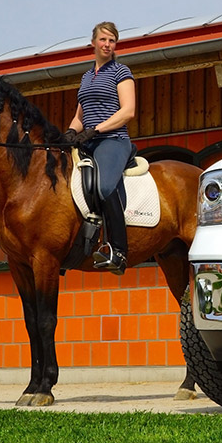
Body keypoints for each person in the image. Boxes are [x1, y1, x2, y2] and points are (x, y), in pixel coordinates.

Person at [62, 21, 135, 273]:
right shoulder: (86, 76)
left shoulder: (120, 72)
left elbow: (128, 111)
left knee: (104, 186)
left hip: (113, 140)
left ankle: (119, 251)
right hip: (88, 141)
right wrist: (72, 131)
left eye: (112, 40)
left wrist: (98, 129)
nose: (107, 44)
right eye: (103, 39)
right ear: (93, 42)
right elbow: (80, 116)